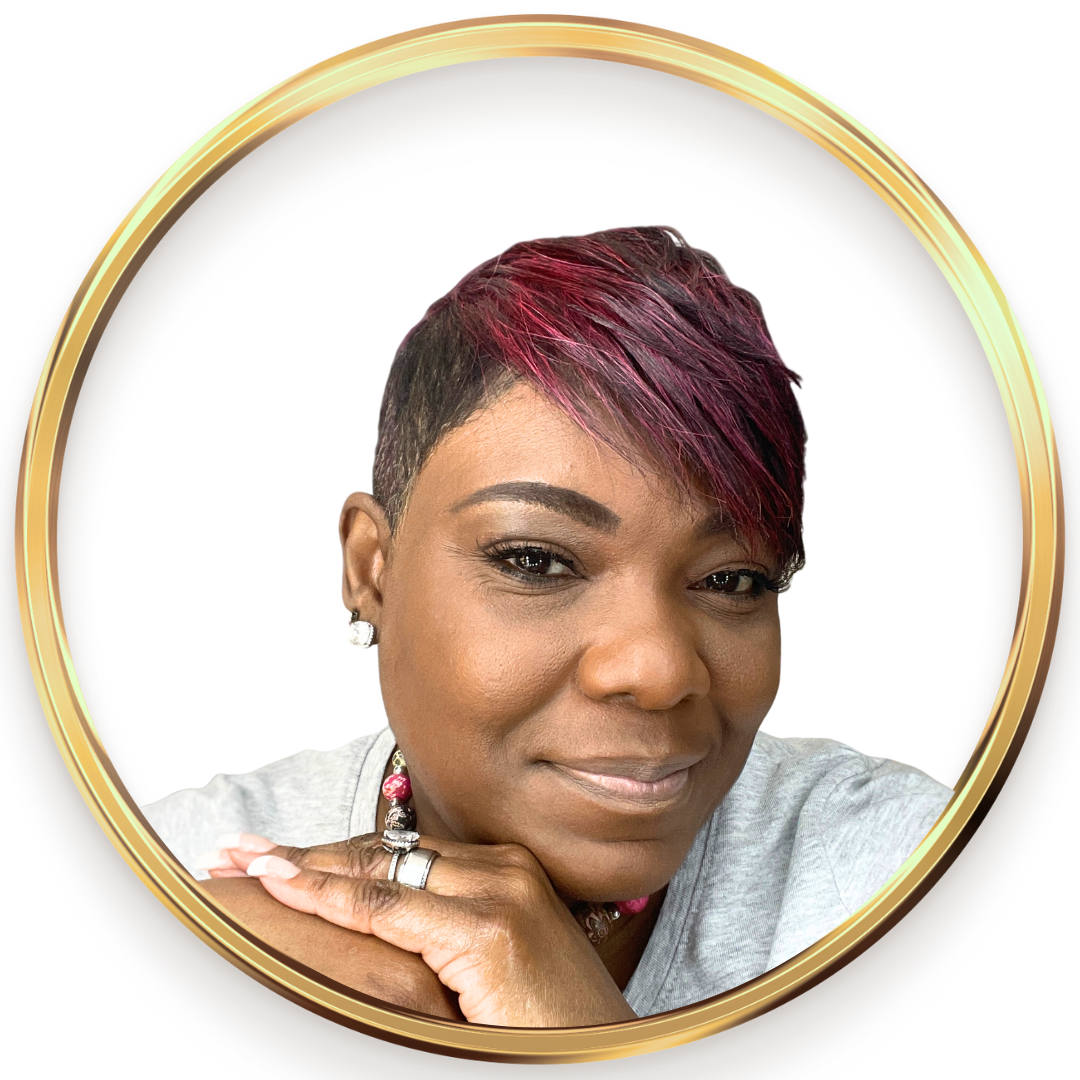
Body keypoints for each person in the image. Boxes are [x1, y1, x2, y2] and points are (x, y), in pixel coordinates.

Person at [143, 226, 952, 1027]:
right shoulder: (172, 885)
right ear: (371, 569)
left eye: (732, 580)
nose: (659, 671)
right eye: (535, 561)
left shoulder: (904, 888)